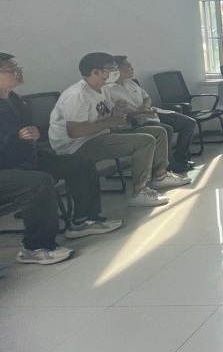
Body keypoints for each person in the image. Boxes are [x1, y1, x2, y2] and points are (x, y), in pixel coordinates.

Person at [0, 52, 124, 247]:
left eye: (18, 68)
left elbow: (27, 133)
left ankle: (83, 221)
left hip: (26, 160)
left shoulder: (15, 100)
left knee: (80, 163)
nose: (19, 72)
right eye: (12, 69)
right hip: (6, 168)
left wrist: (33, 134)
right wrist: (14, 137)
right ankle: (36, 247)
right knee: (39, 181)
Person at [48, 52, 189, 207]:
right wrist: (110, 122)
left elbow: (107, 116)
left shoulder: (102, 89)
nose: (114, 72)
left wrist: (118, 110)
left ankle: (160, 176)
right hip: (76, 146)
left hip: (99, 136)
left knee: (159, 131)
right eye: (110, 69)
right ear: (95, 72)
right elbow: (74, 131)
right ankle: (139, 192)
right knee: (145, 141)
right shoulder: (78, 95)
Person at [108, 56, 198, 174]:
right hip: (136, 120)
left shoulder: (130, 82)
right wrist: (142, 111)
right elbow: (119, 112)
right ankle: (168, 166)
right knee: (167, 129)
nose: (132, 68)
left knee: (189, 123)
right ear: (117, 70)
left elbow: (147, 97)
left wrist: (145, 105)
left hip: (152, 112)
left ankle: (180, 159)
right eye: (128, 66)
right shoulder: (108, 90)